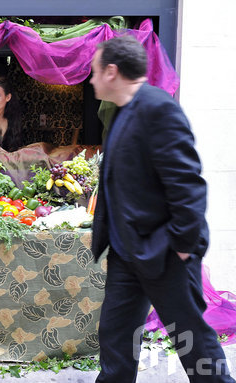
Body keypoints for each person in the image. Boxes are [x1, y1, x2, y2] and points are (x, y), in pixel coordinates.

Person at [90, 35, 234, 382]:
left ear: (112, 72)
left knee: (193, 345)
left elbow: (188, 185)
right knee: (116, 340)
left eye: (94, 71)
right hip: (127, 255)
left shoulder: (159, 108)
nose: (91, 79)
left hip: (165, 253)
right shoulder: (122, 111)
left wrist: (182, 247)